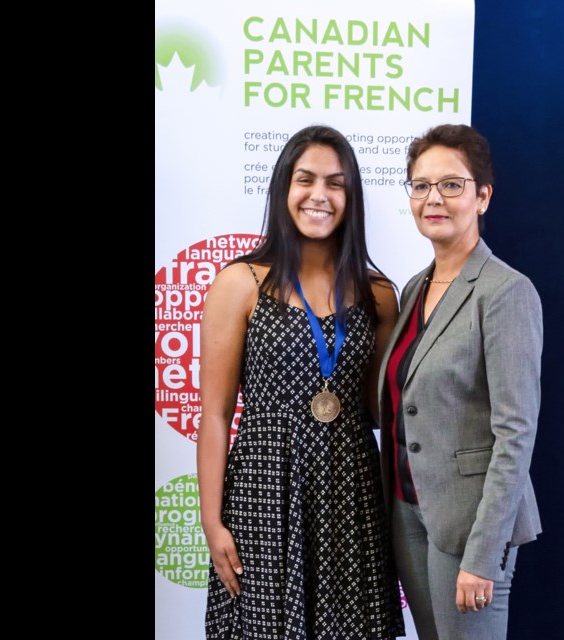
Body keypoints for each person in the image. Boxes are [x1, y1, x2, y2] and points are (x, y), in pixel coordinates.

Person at [197, 124, 405, 640]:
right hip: (263, 489)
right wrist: (211, 520)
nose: (319, 196)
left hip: (349, 492)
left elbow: (379, 411)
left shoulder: (379, 293)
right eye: (305, 179)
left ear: (351, 196)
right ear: (282, 189)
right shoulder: (239, 284)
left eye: (335, 183)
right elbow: (216, 415)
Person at [377, 124, 543, 640]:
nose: (433, 198)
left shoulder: (506, 291)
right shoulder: (413, 288)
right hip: (409, 513)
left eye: (451, 184)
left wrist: (484, 552)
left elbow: (515, 433)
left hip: (469, 526)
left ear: (483, 195)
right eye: (421, 185)